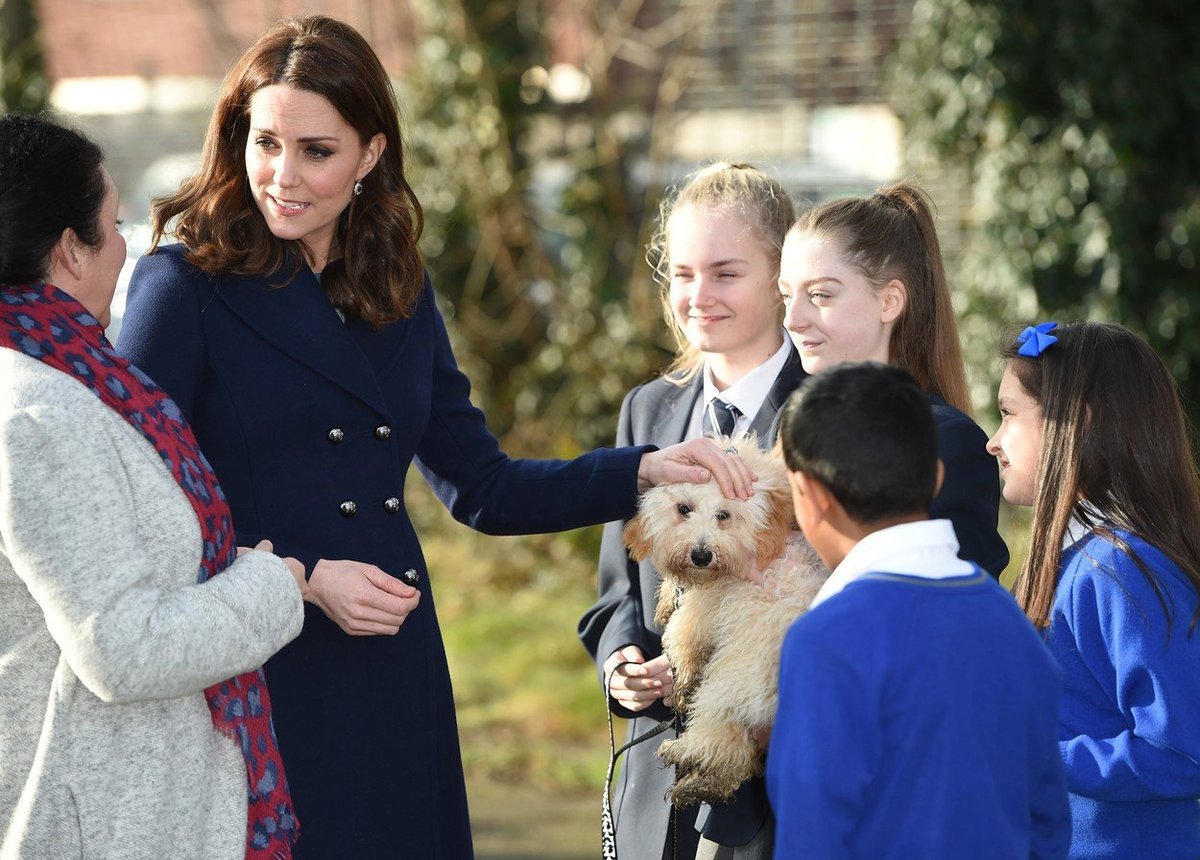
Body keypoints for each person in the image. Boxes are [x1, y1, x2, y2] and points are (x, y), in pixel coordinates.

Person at [116, 16, 752, 859]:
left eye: (317, 150)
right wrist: (301, 580)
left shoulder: (395, 285)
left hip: (392, 664)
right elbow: (140, 510)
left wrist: (640, 470)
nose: (282, 175)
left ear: (370, 155)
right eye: (264, 142)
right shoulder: (181, 287)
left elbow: (483, 487)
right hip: (261, 666)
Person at [0, 114, 306, 858]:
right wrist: (273, 585)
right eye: (112, 227)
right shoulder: (39, 410)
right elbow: (121, 648)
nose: (126, 246)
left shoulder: (65, 378)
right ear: (71, 251)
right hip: (103, 823)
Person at [578, 162, 802, 860]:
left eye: (725, 273)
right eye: (681, 274)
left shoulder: (826, 412)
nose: (697, 295)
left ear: (780, 277)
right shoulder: (648, 409)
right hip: (655, 783)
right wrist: (620, 662)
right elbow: (620, 589)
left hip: (772, 794)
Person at [769, 360, 1070, 859]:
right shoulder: (1008, 617)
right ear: (935, 479)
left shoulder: (827, 638)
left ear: (808, 497)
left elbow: (812, 831)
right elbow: (1048, 820)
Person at [987, 321, 1200, 858]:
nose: (992, 440)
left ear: (1072, 425)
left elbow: (1181, 749)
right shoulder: (1082, 563)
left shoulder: (1120, 570)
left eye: (1010, 414)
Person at [778, 182, 1008, 576]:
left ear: (889, 301)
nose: (792, 318)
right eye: (785, 295)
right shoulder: (789, 421)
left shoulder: (948, 442)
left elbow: (958, 611)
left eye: (819, 295)